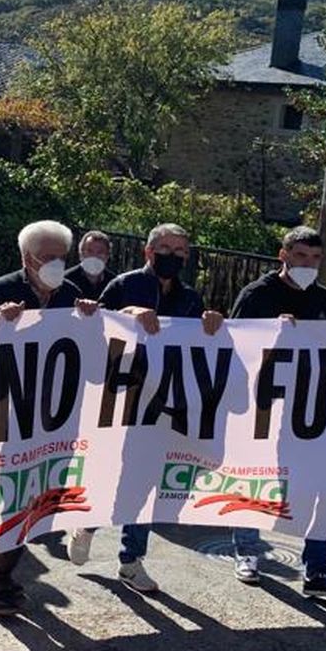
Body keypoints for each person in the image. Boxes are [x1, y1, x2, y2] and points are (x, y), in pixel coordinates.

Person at [68, 223, 223, 594]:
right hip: (120, 398)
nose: (173, 255)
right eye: (166, 248)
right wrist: (128, 312)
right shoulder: (125, 284)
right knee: (113, 474)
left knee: (145, 482)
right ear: (148, 252)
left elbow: (197, 346)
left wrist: (210, 325)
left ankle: (130, 560)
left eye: (181, 250)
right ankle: (90, 521)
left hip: (162, 403)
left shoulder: (190, 298)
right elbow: (93, 325)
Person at [0, 220, 99, 616]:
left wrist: (91, 324)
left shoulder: (74, 296)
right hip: (13, 418)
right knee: (14, 497)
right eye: (48, 258)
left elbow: (93, 366)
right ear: (27, 258)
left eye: (62, 257)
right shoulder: (0, 293)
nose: (56, 264)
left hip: (58, 420)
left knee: (41, 499)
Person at [227, 226, 326, 598]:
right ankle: (247, 552)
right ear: (283, 256)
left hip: (313, 411)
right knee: (256, 479)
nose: (308, 264)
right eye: (301, 256)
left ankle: (317, 568)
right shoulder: (257, 295)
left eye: (315, 258)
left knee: (324, 487)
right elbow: (233, 344)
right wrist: (269, 332)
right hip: (264, 407)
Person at [65, 230, 117, 300]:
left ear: (107, 256)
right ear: (81, 253)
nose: (94, 256)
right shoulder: (66, 280)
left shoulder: (115, 283)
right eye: (89, 251)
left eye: (100, 252)